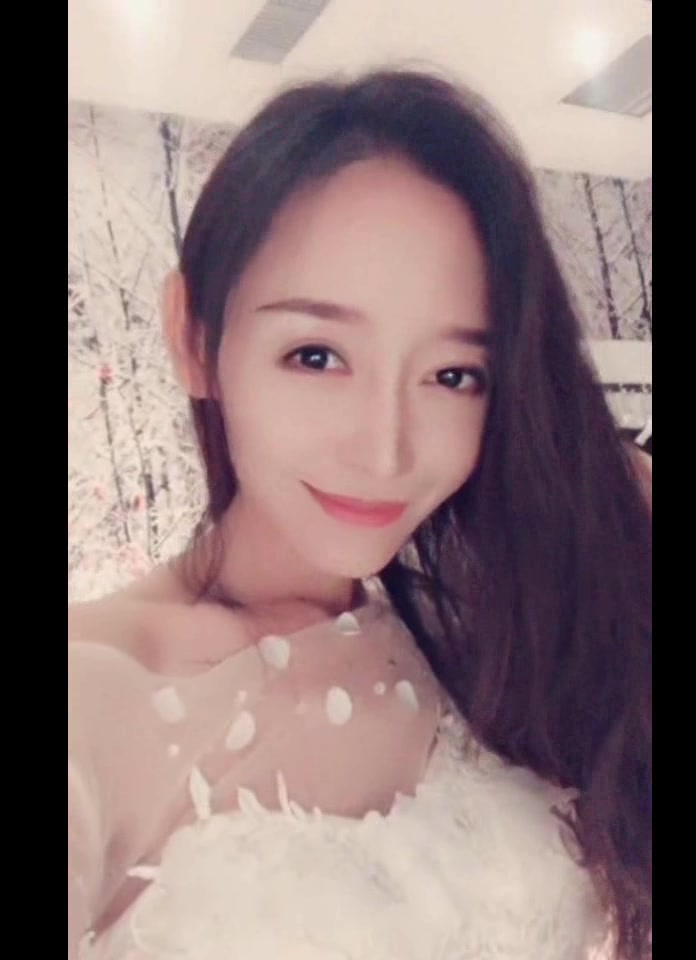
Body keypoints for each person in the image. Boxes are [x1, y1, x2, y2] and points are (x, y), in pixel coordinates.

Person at [68, 68, 652, 960]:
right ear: (195, 336)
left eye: (452, 375)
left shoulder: (483, 640)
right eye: (316, 355)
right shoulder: (99, 696)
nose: (386, 452)